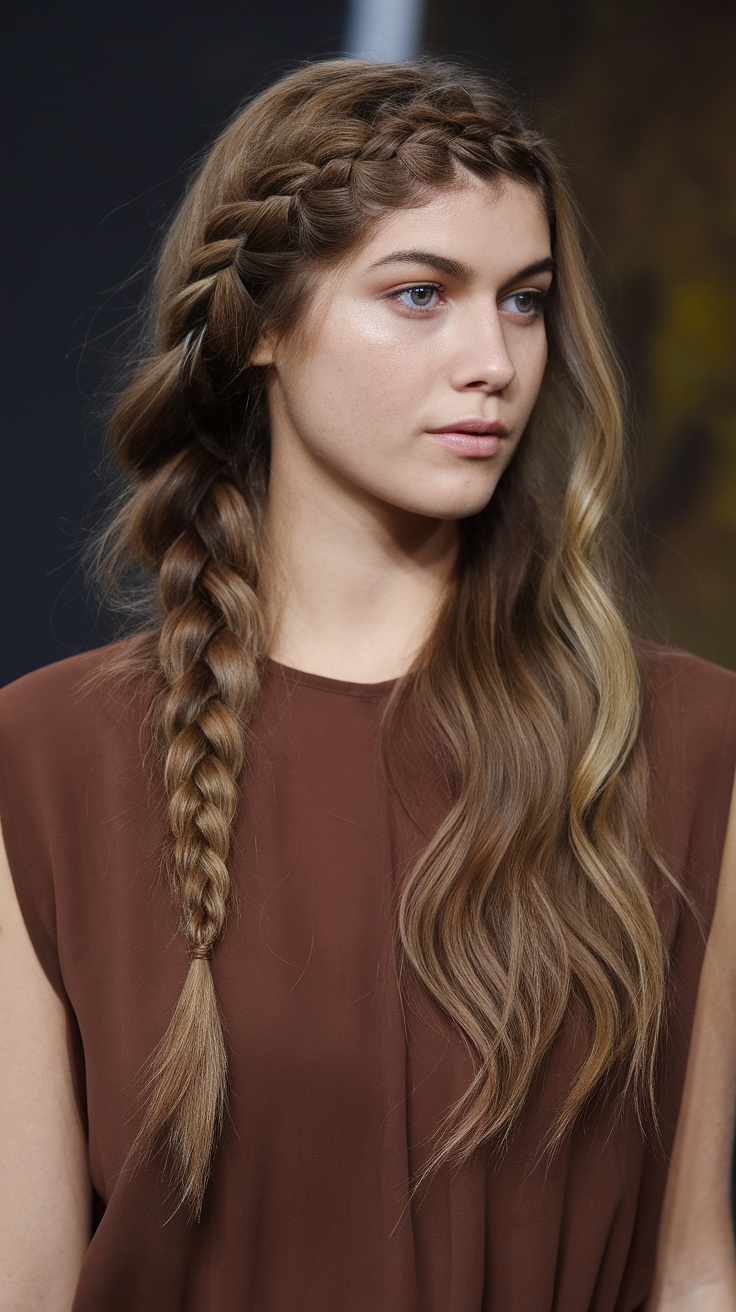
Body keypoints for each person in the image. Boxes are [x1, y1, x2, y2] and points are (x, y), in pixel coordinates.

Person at [0, 55, 734, 1312]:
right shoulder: (52, 756)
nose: (493, 360)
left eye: (524, 300)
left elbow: (688, 1267)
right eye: (418, 293)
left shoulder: (675, 741)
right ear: (265, 326)